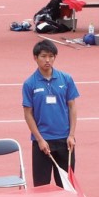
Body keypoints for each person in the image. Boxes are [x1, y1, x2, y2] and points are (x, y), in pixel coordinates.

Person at [22, 39, 80, 187]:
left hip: (64, 141)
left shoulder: (66, 79)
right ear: (35, 58)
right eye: (43, 56)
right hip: (42, 142)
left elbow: (72, 107)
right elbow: (28, 113)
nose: (47, 60)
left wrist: (72, 135)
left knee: (66, 186)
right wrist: (40, 139)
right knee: (41, 187)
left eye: (51, 56)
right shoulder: (30, 84)